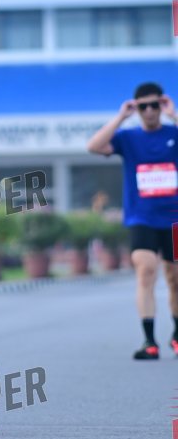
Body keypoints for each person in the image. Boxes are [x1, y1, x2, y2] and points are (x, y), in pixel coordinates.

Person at [87, 82, 178, 359]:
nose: (149, 111)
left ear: (161, 105)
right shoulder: (128, 137)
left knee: (174, 277)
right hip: (142, 218)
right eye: (143, 106)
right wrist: (121, 117)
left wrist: (174, 114)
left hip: (174, 221)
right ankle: (149, 341)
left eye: (155, 105)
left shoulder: (174, 133)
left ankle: (177, 335)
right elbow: (94, 146)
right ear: (136, 109)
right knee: (146, 270)